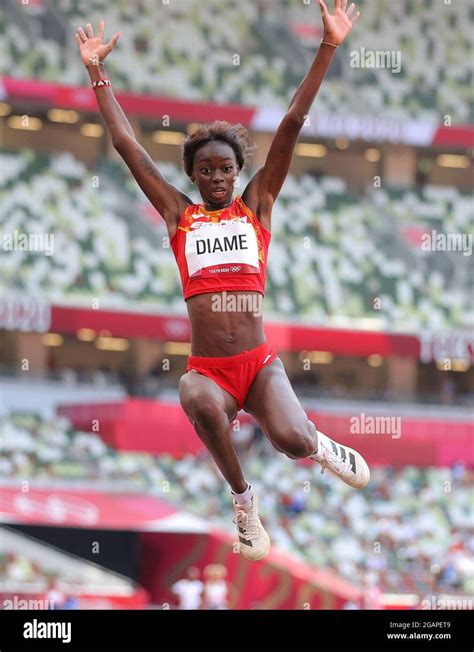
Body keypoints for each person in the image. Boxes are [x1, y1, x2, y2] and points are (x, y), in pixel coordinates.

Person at [75, 0, 368, 563]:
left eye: (225, 169)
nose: (215, 177)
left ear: (238, 173)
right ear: (192, 174)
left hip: (257, 364)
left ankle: (320, 444)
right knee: (193, 396)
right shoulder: (178, 216)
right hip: (209, 369)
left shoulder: (257, 206)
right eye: (205, 170)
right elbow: (128, 148)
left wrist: (328, 45)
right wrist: (97, 74)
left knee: (292, 443)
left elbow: (291, 124)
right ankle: (243, 502)